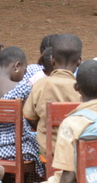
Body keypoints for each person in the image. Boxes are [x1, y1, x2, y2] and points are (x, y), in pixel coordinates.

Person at [24, 33, 82, 163]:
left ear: (52, 60)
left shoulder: (40, 85)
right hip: (75, 154)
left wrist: (45, 124)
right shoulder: (82, 89)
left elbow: (29, 116)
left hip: (47, 155)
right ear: (79, 61)